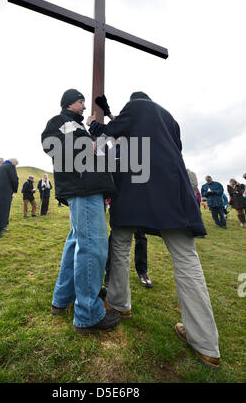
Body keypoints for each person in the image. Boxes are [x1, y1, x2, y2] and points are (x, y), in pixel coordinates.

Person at [88, 91, 220, 368]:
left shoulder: (135, 107)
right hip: (172, 191)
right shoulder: (169, 119)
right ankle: (206, 344)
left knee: (121, 244)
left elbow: (112, 130)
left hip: (136, 190)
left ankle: (119, 304)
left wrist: (93, 123)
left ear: (135, 102)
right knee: (186, 259)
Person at [41, 88, 119, 334]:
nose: (85, 106)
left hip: (85, 186)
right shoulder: (60, 122)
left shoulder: (76, 126)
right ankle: (87, 315)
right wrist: (89, 144)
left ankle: (61, 300)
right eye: (81, 102)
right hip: (83, 187)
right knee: (93, 245)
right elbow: (49, 143)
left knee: (77, 243)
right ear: (69, 104)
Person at [0, 159, 19, 237]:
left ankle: (0, 227)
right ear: (14, 163)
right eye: (16, 165)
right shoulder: (10, 166)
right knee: (3, 210)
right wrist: (15, 190)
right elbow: (14, 179)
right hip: (4, 191)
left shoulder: (0, 167)